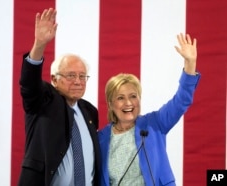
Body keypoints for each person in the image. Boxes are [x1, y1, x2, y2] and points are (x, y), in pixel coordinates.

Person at [98, 33, 200, 186]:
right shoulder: (99, 139)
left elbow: (181, 101)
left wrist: (190, 64)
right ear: (111, 104)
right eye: (120, 98)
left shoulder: (155, 123)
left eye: (133, 96)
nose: (128, 103)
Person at [18, 8, 100, 186]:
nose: (78, 81)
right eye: (71, 76)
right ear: (54, 79)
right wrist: (39, 45)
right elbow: (29, 83)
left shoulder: (90, 112)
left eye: (82, 76)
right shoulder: (44, 100)